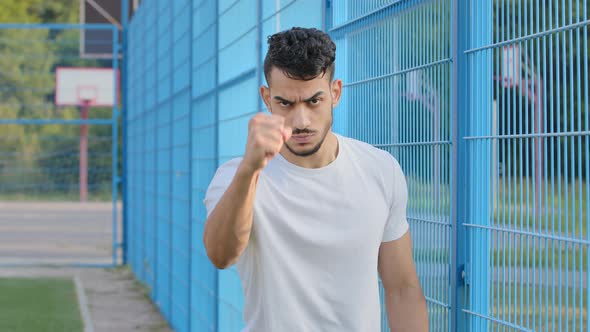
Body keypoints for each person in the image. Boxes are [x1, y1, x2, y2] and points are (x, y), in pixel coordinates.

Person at [203, 27, 428, 331]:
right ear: (266, 98)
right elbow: (221, 255)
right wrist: (249, 171)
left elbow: (402, 289)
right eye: (285, 103)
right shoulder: (235, 175)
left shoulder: (380, 170)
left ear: (335, 93)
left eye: (313, 101)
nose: (301, 121)